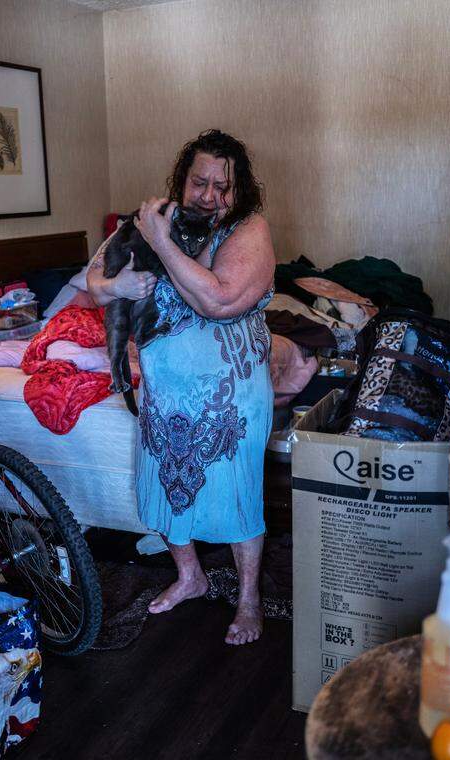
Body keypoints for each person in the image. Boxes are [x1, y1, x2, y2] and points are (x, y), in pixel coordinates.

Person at [87, 129, 275, 645]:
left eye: (222, 186)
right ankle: (190, 576)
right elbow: (93, 280)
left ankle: (249, 599)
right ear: (181, 180)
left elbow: (218, 300)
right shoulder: (156, 218)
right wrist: (116, 285)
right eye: (199, 182)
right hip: (165, 392)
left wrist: (160, 241)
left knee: (237, 493)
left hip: (229, 397)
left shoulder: (248, 229)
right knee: (166, 484)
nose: (209, 195)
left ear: (240, 189)